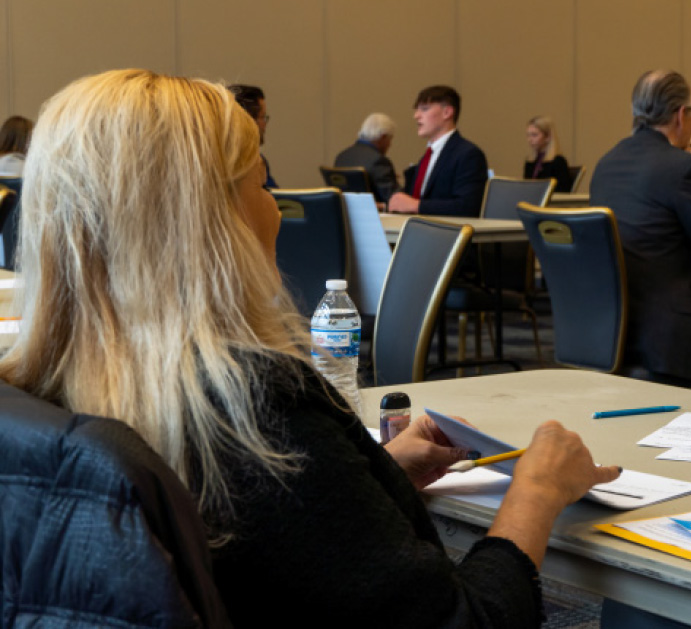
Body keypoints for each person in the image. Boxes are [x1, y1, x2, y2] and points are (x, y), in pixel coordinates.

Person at [0, 68, 620, 626]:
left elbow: (248, 520)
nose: (272, 202)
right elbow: (464, 622)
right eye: (258, 180)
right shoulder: (260, 414)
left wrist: (370, 474)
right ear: (216, 223)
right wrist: (534, 493)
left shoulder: (37, 389)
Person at [590, 69, 691, 391]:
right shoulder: (683, 167)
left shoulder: (606, 164)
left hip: (611, 333)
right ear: (681, 115)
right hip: (673, 338)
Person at [389, 85, 489, 217]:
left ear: (447, 112)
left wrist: (416, 205)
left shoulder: (468, 154)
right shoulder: (427, 156)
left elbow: (467, 206)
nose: (416, 116)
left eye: (424, 109)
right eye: (417, 110)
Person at [334, 112, 401, 209]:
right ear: (383, 137)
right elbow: (394, 200)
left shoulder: (341, 157)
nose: (390, 145)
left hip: (346, 219)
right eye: (390, 140)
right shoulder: (379, 161)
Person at [228, 84, 277, 188]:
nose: (265, 124)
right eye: (263, 117)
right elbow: (278, 199)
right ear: (249, 121)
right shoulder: (253, 166)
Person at [523, 115, 574, 192]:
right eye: (528, 135)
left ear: (547, 137)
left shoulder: (558, 162)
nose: (529, 140)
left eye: (534, 135)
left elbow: (563, 192)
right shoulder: (530, 162)